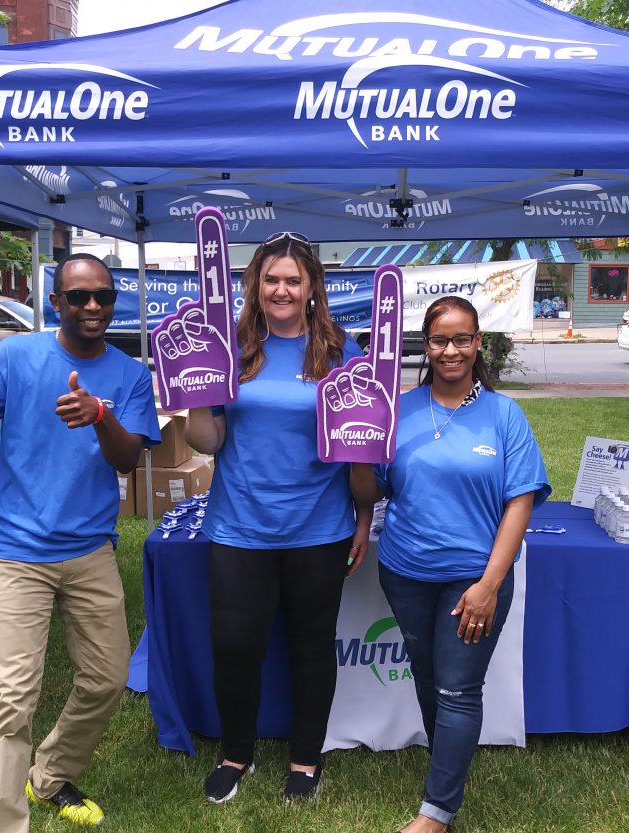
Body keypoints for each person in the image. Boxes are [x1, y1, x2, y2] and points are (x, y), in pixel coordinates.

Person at [0, 253, 161, 833]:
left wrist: (99, 414)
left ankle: (52, 774)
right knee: (12, 698)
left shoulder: (131, 374)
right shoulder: (15, 356)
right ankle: (4, 824)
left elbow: (128, 457)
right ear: (55, 302)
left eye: (104, 297)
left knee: (108, 678)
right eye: (79, 297)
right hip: (16, 553)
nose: (93, 307)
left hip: (90, 550)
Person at [350, 296, 551, 833]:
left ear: (478, 342)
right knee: (427, 679)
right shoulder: (398, 410)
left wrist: (490, 583)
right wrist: (358, 452)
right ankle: (449, 770)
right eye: (440, 340)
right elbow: (373, 489)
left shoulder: (504, 415)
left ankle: (436, 813)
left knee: (458, 689)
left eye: (462, 338)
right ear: (427, 344)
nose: (450, 350)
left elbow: (521, 503)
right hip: (405, 570)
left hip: (473, 578)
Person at [186, 231, 369, 804]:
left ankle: (305, 761)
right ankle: (236, 753)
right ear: (254, 287)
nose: (282, 289)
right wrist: (197, 389)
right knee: (236, 646)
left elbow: (362, 446)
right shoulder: (230, 349)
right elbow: (207, 440)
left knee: (311, 647)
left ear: (313, 286)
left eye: (293, 279)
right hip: (240, 526)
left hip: (320, 526)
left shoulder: (342, 354)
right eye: (271, 279)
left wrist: (364, 519)